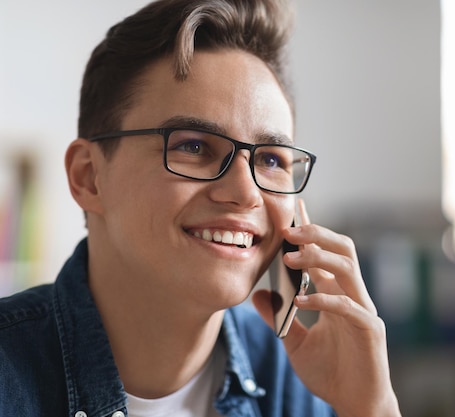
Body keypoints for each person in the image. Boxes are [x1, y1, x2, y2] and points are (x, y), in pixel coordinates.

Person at [0, 0, 402, 416]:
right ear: (88, 177)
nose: (246, 193)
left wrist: (370, 406)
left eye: (270, 159)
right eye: (192, 146)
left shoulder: (294, 380)